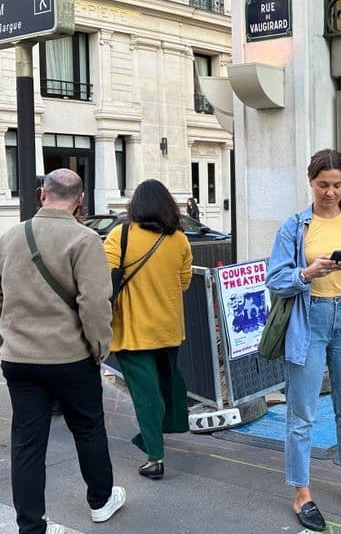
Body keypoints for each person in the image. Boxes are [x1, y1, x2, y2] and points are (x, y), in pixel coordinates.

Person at [266, 149, 341, 532]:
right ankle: (301, 493)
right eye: (323, 185)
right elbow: (275, 278)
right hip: (309, 318)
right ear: (311, 182)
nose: (330, 192)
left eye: (337, 184)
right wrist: (307, 272)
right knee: (301, 414)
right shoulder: (295, 226)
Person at [0, 169, 126, 533]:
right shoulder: (85, 240)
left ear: (43, 195)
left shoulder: (9, 238)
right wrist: (99, 347)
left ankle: (31, 526)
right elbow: (95, 305)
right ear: (80, 200)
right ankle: (100, 501)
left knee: (26, 443)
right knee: (88, 429)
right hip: (71, 357)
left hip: (19, 357)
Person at [104, 180, 193, 481]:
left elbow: (104, 278)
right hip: (168, 328)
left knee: (145, 394)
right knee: (165, 384)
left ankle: (154, 456)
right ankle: (159, 430)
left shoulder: (121, 235)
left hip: (133, 330)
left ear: (136, 206)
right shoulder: (180, 240)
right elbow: (184, 283)